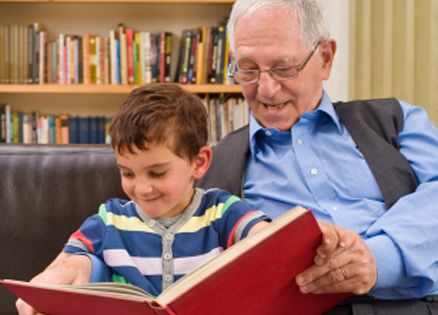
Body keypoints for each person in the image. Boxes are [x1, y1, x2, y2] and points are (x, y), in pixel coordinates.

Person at [16, 83, 345, 314]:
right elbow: (69, 262)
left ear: (198, 162)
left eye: (157, 173)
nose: (142, 188)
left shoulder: (221, 212)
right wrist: (51, 284)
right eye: (128, 173)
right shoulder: (109, 220)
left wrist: (308, 240)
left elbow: (264, 239)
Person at [198, 0, 438, 314]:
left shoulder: (395, 119)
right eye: (248, 70)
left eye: (284, 68)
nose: (266, 89)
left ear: (325, 58)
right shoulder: (211, 168)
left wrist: (378, 257)